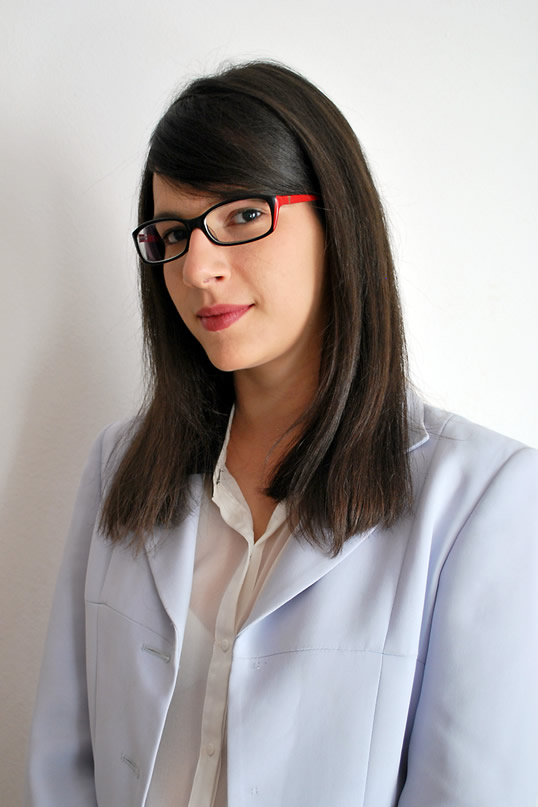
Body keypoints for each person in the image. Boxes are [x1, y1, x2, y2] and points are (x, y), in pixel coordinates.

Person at [25, 61, 538, 807]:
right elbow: (62, 765)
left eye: (241, 215)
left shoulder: (481, 498)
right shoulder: (120, 465)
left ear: (337, 220)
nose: (198, 269)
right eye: (174, 233)